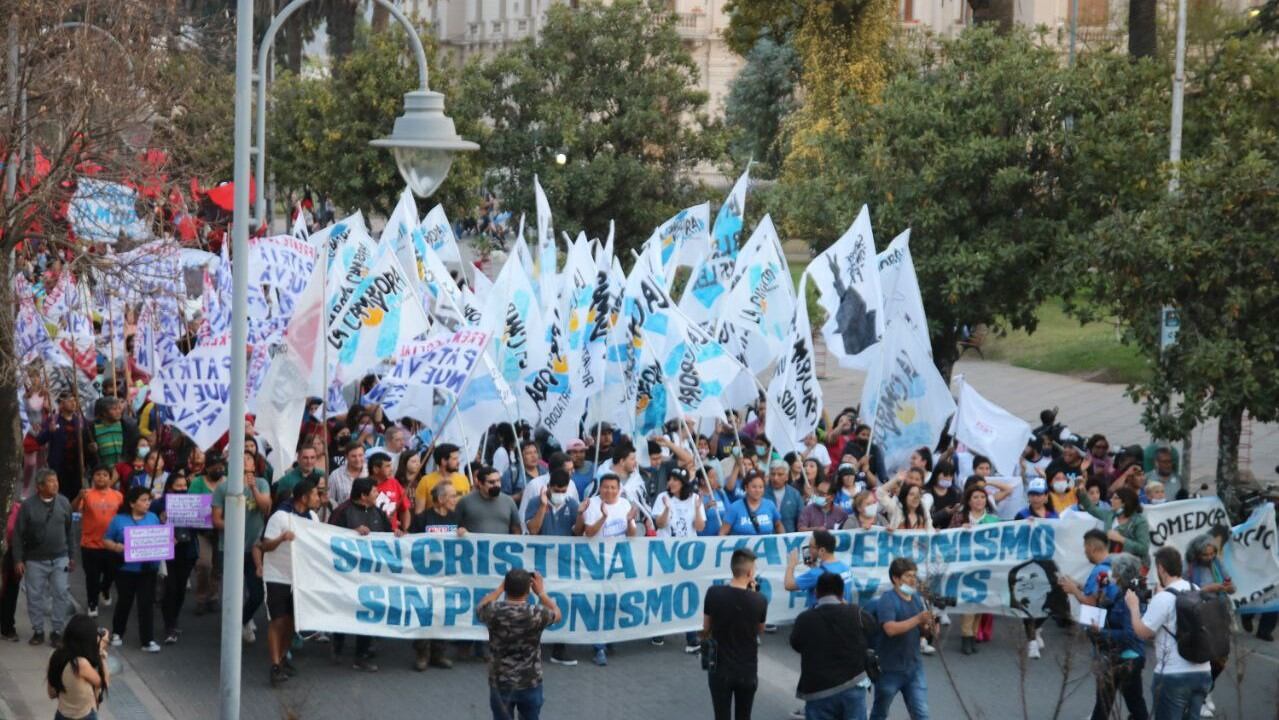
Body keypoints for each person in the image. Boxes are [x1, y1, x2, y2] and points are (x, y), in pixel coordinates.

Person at [1125, 547, 1213, 720]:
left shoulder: (1163, 598)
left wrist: (1134, 608)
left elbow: (1143, 632)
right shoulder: (1196, 589)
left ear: (1161, 568)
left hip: (1174, 675)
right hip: (1203, 672)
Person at [257, 479, 320, 686]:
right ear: (304, 497)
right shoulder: (280, 517)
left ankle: (283, 656)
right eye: (315, 494)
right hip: (277, 575)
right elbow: (265, 546)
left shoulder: (312, 517)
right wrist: (282, 538)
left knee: (293, 622)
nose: (318, 498)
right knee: (278, 621)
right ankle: (274, 665)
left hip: (299, 577)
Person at [791, 572, 879, 720]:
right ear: (842, 592)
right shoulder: (856, 614)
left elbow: (796, 644)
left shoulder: (804, 619)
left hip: (818, 690)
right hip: (854, 686)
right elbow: (872, 631)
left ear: (817, 592)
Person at [477, 568, 562, 720]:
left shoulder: (493, 611)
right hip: (530, 681)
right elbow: (557, 613)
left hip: (501, 682)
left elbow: (480, 607)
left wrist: (499, 589)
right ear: (528, 590)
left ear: (506, 588)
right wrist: (541, 593)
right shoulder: (537, 613)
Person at [328, 477, 393, 671]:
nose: (378, 495)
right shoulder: (342, 512)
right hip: (346, 575)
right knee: (343, 610)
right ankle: (337, 644)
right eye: (374, 492)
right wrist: (352, 533)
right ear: (364, 495)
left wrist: (397, 535)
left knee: (367, 611)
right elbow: (328, 537)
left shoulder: (378, 513)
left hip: (370, 575)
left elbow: (388, 535)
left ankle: (361, 655)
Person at [574, 472, 638, 666]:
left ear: (619, 489)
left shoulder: (625, 504)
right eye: (606, 487)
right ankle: (599, 646)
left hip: (618, 563)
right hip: (595, 562)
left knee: (612, 601)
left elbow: (632, 535)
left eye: (613, 488)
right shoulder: (592, 504)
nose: (609, 491)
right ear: (600, 488)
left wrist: (629, 521)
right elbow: (588, 533)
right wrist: (603, 517)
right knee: (598, 603)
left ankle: (608, 638)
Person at [212, 451, 272, 645]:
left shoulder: (261, 483)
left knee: (256, 593)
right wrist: (234, 527)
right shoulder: (223, 488)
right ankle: (232, 626)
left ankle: (243, 620)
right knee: (232, 592)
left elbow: (266, 508)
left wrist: (253, 488)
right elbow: (216, 520)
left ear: (254, 466)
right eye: (241, 458)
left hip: (253, 548)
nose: (244, 460)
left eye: (248, 459)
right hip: (229, 548)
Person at [703, 548, 768, 720]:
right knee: (744, 715)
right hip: (747, 669)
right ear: (750, 572)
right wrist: (752, 595)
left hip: (720, 667)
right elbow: (759, 630)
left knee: (721, 715)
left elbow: (706, 627)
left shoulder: (713, 593)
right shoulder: (760, 599)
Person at [13, 468, 75, 646]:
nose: (55, 484)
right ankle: (38, 630)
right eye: (50, 481)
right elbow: (18, 534)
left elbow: (70, 531)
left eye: (56, 480)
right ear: (39, 486)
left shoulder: (63, 503)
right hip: (34, 559)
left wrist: (71, 555)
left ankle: (57, 630)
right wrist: (18, 559)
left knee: (61, 593)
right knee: (34, 595)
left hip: (60, 557)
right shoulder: (28, 506)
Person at [522, 468, 578, 666]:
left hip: (562, 563)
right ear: (548, 487)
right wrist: (543, 508)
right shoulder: (535, 503)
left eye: (563, 490)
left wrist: (581, 514)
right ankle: (532, 647)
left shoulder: (571, 504)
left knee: (561, 602)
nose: (560, 494)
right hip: (539, 562)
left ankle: (559, 649)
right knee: (536, 602)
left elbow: (578, 532)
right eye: (557, 489)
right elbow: (533, 530)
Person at [870, 557, 932, 720]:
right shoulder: (887, 600)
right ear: (895, 579)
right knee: (880, 713)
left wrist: (928, 627)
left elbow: (922, 631)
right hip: (889, 670)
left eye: (914, 576)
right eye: (908, 576)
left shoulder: (916, 598)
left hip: (914, 667)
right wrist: (919, 619)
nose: (913, 580)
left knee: (922, 714)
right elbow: (890, 629)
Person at [102, 486, 163, 652]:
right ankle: (117, 633)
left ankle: (147, 640)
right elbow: (106, 540)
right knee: (124, 601)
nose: (147, 503)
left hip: (148, 569)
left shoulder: (153, 518)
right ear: (132, 503)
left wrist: (168, 543)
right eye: (143, 500)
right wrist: (117, 547)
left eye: (149, 500)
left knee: (146, 604)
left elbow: (159, 538)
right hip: (126, 569)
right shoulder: (119, 520)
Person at [1185, 529, 1234, 718]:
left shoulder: (1217, 563)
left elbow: (1231, 584)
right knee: (1204, 658)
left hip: (1220, 614)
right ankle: (1200, 697)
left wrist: (1228, 587)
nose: (1210, 557)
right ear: (1196, 554)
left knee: (1221, 659)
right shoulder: (1189, 567)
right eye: (1205, 554)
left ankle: (1208, 690)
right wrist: (1207, 588)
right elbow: (1185, 592)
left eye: (1212, 553)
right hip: (1200, 616)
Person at [950, 483, 999, 654]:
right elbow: (949, 536)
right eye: (975, 497)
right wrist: (959, 530)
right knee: (969, 602)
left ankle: (972, 635)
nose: (979, 500)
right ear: (969, 501)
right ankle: (966, 637)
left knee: (980, 602)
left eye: (982, 497)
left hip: (985, 566)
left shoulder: (993, 520)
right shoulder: (960, 517)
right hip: (965, 566)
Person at [73, 466, 122, 618]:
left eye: (105, 475)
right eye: (98, 474)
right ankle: (92, 603)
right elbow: (73, 509)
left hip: (111, 544)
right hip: (90, 544)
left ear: (110, 478)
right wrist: (79, 497)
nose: (101, 477)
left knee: (112, 573)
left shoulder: (118, 496)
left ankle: (105, 589)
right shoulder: (87, 494)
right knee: (92, 577)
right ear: (93, 477)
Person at [155, 472, 199, 644]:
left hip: (187, 552)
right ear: (169, 487)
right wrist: (161, 519)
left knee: (180, 590)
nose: (182, 489)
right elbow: (150, 521)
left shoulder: (192, 503)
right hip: (167, 552)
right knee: (171, 588)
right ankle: (169, 626)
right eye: (177, 486)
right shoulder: (159, 504)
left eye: (184, 486)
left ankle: (174, 619)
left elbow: (200, 526)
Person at [45, 614, 110, 720]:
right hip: (83, 716)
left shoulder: (55, 655)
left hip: (61, 715)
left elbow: (51, 693)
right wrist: (100, 652)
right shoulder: (80, 664)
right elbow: (104, 682)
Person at [1079, 486, 1151, 565]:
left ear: (1124, 502)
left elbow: (1143, 549)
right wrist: (1082, 492)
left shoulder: (1139, 521)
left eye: (1115, 498)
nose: (1111, 500)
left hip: (1133, 566)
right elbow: (1091, 508)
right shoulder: (1109, 515)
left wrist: (1121, 539)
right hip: (1112, 563)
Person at [784, 529, 851, 607]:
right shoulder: (845, 568)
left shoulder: (816, 574)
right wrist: (813, 567)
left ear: (822, 550)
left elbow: (788, 585)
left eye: (811, 547)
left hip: (822, 617)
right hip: (842, 615)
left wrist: (791, 564)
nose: (808, 550)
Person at [457, 467, 522, 535]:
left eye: (498, 481)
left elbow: (517, 530)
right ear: (480, 484)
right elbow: (452, 526)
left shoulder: (509, 501)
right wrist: (460, 531)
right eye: (491, 482)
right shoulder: (465, 501)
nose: (497, 485)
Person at [719, 472, 785, 536]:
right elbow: (723, 532)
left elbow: (778, 525)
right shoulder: (735, 507)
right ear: (746, 488)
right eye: (754, 487)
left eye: (761, 487)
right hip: (742, 547)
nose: (757, 490)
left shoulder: (770, 505)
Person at [416, 443, 470, 513]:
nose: (458, 462)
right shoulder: (426, 481)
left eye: (457, 458)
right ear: (443, 461)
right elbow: (419, 512)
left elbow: (467, 508)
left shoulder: (463, 479)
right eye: (454, 459)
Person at [368, 452, 411, 532]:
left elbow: (404, 510)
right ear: (376, 469)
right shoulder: (364, 485)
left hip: (392, 535)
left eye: (390, 465)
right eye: (387, 466)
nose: (391, 469)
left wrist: (405, 530)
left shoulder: (394, 483)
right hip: (371, 535)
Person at [766, 459, 803, 532]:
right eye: (773, 474)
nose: (775, 478)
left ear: (787, 477)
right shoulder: (762, 493)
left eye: (780, 474)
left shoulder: (795, 494)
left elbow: (801, 519)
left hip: (790, 538)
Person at [327, 442, 366, 508]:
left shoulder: (370, 472)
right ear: (346, 457)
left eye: (360, 455)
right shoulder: (335, 475)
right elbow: (330, 500)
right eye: (353, 456)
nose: (357, 459)